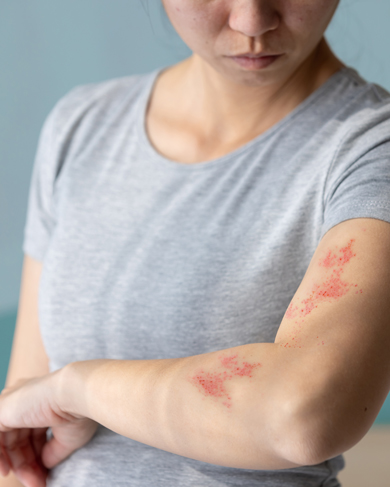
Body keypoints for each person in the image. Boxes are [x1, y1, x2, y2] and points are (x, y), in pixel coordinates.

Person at [1, 1, 390, 486]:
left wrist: (76, 388)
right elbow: (22, 441)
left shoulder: (372, 151)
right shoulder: (80, 128)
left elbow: (306, 413)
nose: (252, 22)